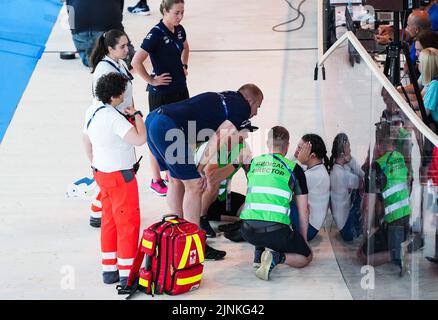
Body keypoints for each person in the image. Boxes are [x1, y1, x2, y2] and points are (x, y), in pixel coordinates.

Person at [145, 83, 264, 259]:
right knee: (194, 186)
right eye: (257, 106)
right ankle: (194, 243)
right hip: (167, 126)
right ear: (249, 100)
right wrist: (199, 167)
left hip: (155, 120)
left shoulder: (227, 96)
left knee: (176, 181)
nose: (255, 112)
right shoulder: (241, 107)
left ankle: (178, 234)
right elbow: (219, 138)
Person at [82, 72, 146, 286]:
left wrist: (95, 162)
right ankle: (127, 274)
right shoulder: (113, 118)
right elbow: (140, 139)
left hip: (101, 174)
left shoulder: (92, 110)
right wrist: (138, 115)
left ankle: (109, 270)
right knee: (127, 223)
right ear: (117, 96)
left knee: (109, 221)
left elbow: (85, 139)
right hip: (121, 178)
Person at [131, 0, 190, 196]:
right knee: (157, 135)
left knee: (179, 131)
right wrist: (151, 80)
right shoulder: (155, 33)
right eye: (176, 13)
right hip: (162, 94)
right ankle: (156, 179)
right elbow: (136, 61)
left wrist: (184, 65)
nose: (179, 17)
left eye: (182, 12)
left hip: (180, 90)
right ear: (164, 11)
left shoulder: (180, 30)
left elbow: (185, 47)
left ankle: (170, 172)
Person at [240, 126, 312, 281]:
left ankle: (258, 255)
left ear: (267, 143)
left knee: (261, 205)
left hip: (247, 231)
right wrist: (303, 241)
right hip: (276, 233)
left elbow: (258, 196)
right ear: (287, 146)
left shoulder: (254, 163)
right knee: (306, 257)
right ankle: (276, 257)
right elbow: (303, 210)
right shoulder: (294, 169)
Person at [358, 121, 411, 276]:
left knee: (363, 256)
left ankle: (396, 254)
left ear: (378, 144)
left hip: (394, 222)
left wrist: (366, 234)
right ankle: (399, 247)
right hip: (406, 217)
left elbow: (368, 206)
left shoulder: (377, 166)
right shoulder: (400, 157)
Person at [199, 123, 256, 237]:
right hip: (201, 196)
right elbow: (212, 177)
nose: (246, 137)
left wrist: (252, 198)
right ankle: (201, 218)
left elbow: (250, 177)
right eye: (243, 133)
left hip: (223, 196)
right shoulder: (214, 146)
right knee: (213, 186)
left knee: (247, 209)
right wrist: (236, 162)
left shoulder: (243, 147)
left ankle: (233, 220)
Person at [66, 0, 134, 68]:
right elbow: (119, 9)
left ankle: (92, 59)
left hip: (79, 32)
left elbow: (69, 10)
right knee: (130, 56)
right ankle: (109, 58)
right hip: (106, 27)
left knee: (90, 58)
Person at [291, 134, 330, 241]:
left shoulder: (315, 175)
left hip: (309, 230)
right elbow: (288, 169)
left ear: (312, 155)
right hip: (309, 225)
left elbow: (284, 186)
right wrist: (295, 157)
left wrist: (298, 161)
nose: (296, 150)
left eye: (300, 148)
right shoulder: (314, 168)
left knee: (278, 199)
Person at [329, 133, 364, 241]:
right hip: (348, 230)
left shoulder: (336, 169)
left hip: (343, 226)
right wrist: (351, 160)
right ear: (343, 152)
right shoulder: (342, 174)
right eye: (348, 147)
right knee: (365, 191)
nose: (351, 150)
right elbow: (365, 179)